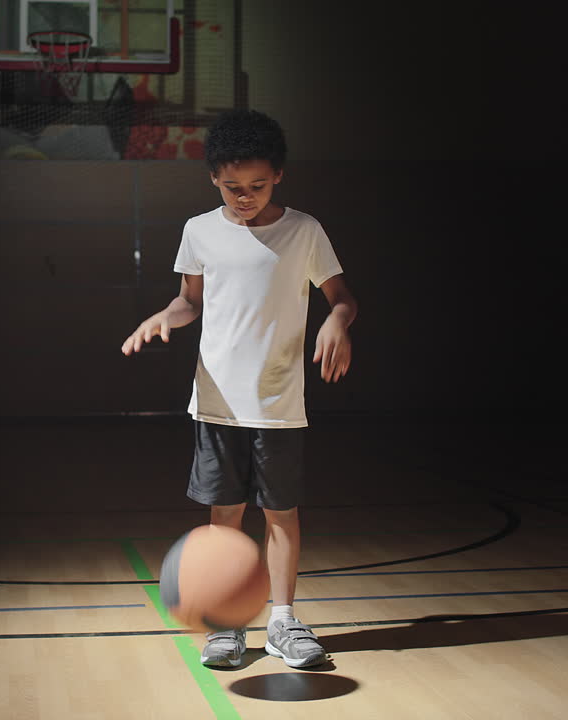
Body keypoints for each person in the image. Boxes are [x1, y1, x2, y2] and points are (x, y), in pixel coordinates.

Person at [120, 109, 358, 668]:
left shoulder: (304, 231)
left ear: (278, 175)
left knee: (281, 514)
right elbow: (190, 301)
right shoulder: (199, 230)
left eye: (256, 185)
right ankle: (226, 624)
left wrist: (337, 322)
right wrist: (165, 317)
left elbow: (342, 295)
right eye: (232, 187)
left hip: (278, 401)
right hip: (217, 402)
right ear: (212, 178)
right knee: (224, 516)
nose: (244, 196)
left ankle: (282, 621)